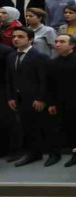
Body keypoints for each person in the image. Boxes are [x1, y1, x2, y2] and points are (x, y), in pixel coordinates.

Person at [6, 27, 51, 166]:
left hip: (34, 98)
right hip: (19, 97)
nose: (16, 39)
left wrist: (41, 98)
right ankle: (27, 151)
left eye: (20, 36)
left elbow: (44, 80)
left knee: (35, 126)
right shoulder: (11, 56)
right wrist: (11, 97)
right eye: (14, 36)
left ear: (30, 39)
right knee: (23, 125)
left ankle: (35, 153)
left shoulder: (39, 56)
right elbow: (10, 78)